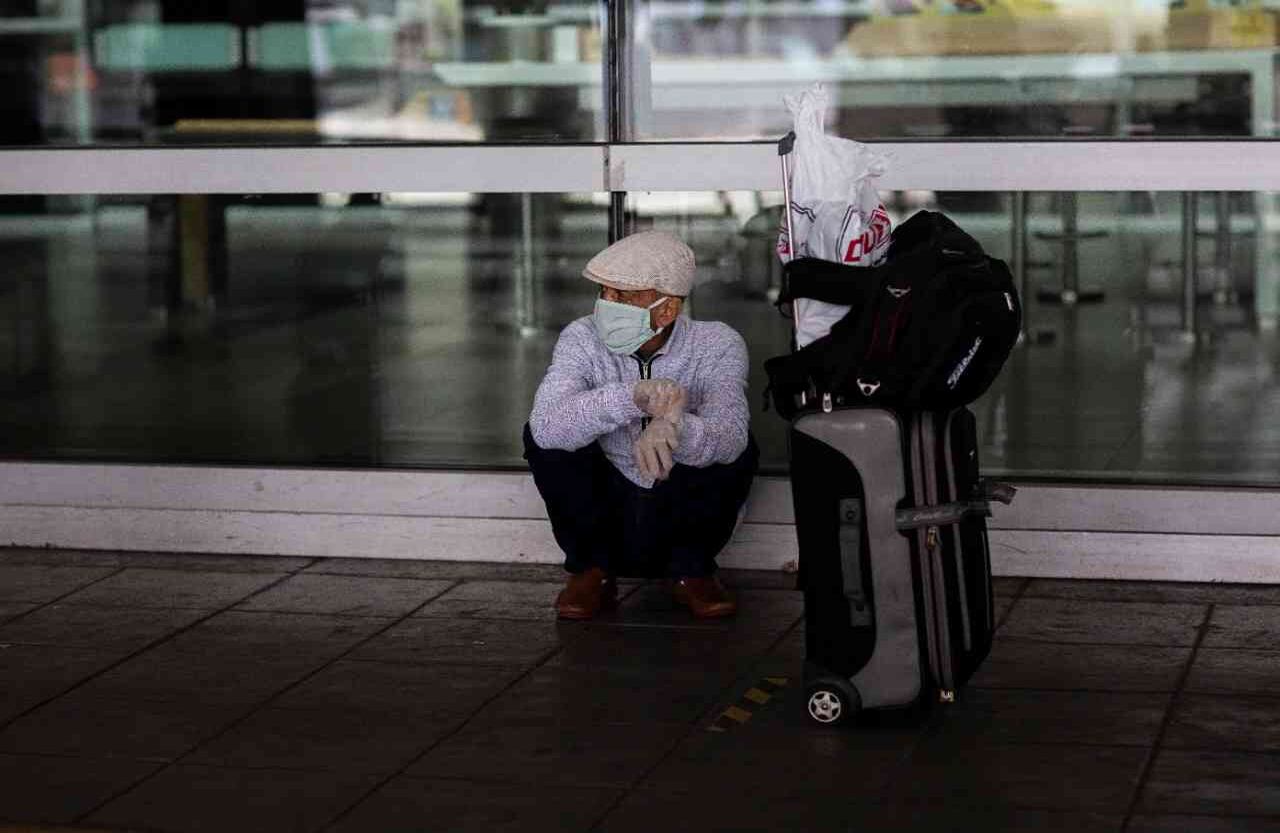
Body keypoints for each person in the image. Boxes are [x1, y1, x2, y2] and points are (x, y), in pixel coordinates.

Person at [524, 230, 758, 620]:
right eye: (605, 293)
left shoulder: (717, 343)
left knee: (739, 443)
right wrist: (632, 397)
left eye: (625, 296)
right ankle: (590, 570)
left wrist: (675, 428)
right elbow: (547, 427)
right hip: (606, 502)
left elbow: (730, 436)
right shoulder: (581, 337)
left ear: (667, 310)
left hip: (676, 501)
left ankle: (692, 571)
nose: (608, 305)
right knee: (544, 435)